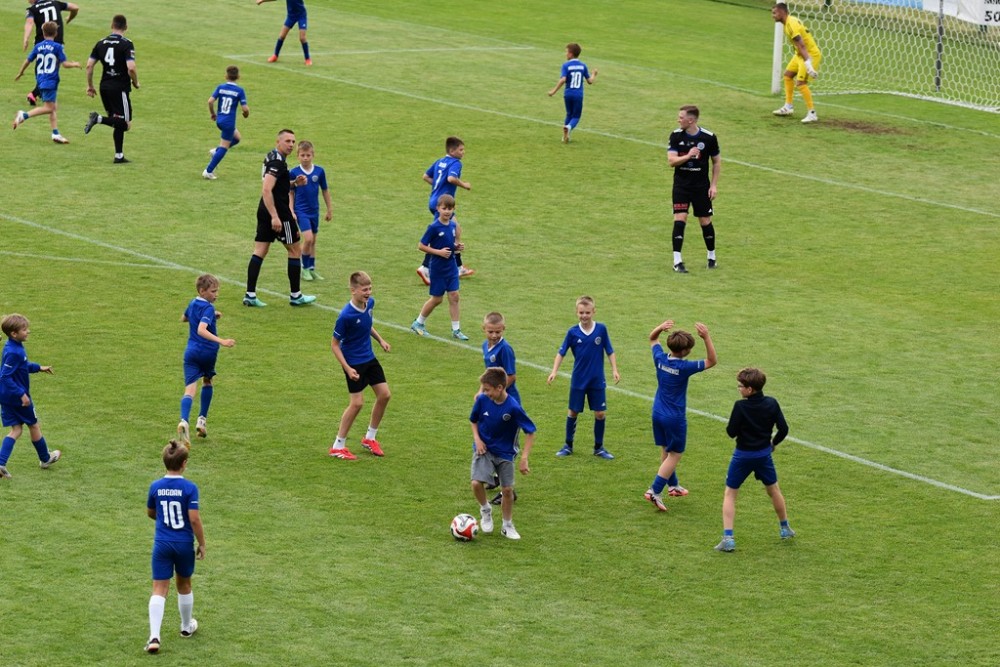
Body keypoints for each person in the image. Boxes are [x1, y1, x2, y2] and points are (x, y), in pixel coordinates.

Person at [715, 367, 794, 552]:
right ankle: (785, 528)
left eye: (740, 386)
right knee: (773, 490)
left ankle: (728, 538)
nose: (738, 389)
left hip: (743, 456)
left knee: (730, 494)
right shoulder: (772, 403)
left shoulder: (740, 406)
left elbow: (731, 432)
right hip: (764, 455)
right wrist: (773, 443)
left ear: (749, 389)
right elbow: (783, 429)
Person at [642, 320, 717, 512]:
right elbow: (712, 361)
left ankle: (673, 485)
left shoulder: (660, 358)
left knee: (666, 449)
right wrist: (706, 337)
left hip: (657, 412)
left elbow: (652, 339)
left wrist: (660, 327)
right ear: (685, 351)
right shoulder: (684, 367)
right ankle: (655, 490)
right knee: (675, 454)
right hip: (674, 417)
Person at [243, 129, 316, 308]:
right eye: (287, 141)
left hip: (264, 209)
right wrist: (275, 217)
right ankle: (296, 295)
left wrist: (293, 183)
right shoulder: (277, 162)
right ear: (278, 142)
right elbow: (267, 189)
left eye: (293, 142)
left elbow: (275, 185)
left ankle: (250, 295)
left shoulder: (272, 156)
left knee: (260, 251)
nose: (291, 145)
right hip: (279, 213)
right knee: (295, 250)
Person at [144, 440, 205, 653]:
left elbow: (151, 512)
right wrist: (202, 543)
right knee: (184, 584)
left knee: (159, 589)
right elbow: (194, 519)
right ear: (184, 463)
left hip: (162, 544)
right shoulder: (190, 488)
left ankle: (154, 637)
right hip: (183, 544)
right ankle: (186, 627)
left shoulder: (155, 486)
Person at [328, 271, 392, 461]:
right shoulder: (345, 316)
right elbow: (334, 345)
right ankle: (338, 446)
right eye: (364, 289)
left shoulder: (370, 304)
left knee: (385, 395)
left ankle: (370, 438)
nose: (368, 293)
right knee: (357, 403)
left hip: (369, 358)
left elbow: (367, 325)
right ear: (353, 290)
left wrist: (381, 340)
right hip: (353, 363)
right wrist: (347, 368)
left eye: (370, 288)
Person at [547, 295, 620, 460]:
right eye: (581, 313)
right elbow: (561, 352)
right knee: (573, 412)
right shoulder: (572, 332)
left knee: (600, 413)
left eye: (587, 312)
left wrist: (614, 370)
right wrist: (554, 371)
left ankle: (599, 448)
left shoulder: (601, 329)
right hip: (579, 379)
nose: (584, 316)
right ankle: (568, 445)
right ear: (576, 312)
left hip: (597, 379)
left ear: (594, 311)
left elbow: (609, 350)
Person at [470, 367, 536, 540]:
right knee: (476, 483)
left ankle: (507, 525)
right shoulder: (482, 400)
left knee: (507, 490)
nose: (484, 393)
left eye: (487, 390)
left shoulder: (513, 407)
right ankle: (485, 509)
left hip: (505, 452)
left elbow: (530, 431)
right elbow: (473, 420)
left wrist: (524, 458)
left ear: (499, 388)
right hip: (484, 448)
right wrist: (477, 439)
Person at [0, 314, 61, 479]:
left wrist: (38, 367)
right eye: (24, 329)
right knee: (34, 425)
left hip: (5, 397)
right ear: (14, 333)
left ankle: (1, 463)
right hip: (17, 398)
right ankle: (45, 458)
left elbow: (22, 366)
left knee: (16, 430)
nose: (28, 331)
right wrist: (21, 394)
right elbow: (5, 376)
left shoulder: (11, 346)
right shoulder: (15, 352)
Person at [177, 274, 235, 445]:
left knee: (189, 390)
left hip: (191, 352)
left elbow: (184, 318)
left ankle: (184, 420)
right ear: (202, 291)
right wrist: (222, 341)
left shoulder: (192, 303)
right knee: (207, 381)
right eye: (213, 291)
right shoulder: (208, 308)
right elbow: (202, 330)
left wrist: (211, 316)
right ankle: (201, 420)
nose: (216, 295)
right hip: (208, 352)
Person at [667, 105, 721, 273]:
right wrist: (688, 155)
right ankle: (677, 261)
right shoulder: (676, 136)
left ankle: (711, 257)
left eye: (681, 117)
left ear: (690, 120)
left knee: (705, 221)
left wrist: (713, 185)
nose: (678, 120)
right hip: (681, 186)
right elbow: (671, 161)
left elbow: (716, 162)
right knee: (680, 219)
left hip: (701, 187)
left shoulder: (709, 137)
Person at [409, 195, 469, 340]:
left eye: (450, 209)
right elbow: (421, 245)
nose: (447, 211)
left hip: (451, 266)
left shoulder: (453, 225)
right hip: (438, 268)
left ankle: (456, 330)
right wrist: (438, 252)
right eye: (444, 208)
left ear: (453, 209)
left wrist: (456, 247)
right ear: (438, 209)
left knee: (454, 296)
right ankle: (418, 323)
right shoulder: (434, 227)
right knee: (437, 299)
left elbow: (449, 244)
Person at [83, 14, 139, 164]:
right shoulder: (126, 44)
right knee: (125, 123)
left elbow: (89, 66)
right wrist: (136, 82)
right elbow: (131, 68)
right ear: (125, 27)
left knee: (116, 120)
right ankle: (98, 119)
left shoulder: (100, 43)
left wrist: (90, 86)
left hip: (104, 87)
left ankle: (119, 156)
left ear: (111, 25)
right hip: (119, 88)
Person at [13, 20, 80, 144]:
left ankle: (55, 133)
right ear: (56, 33)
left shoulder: (38, 46)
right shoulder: (58, 47)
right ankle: (24, 115)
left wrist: (20, 72)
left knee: (53, 107)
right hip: (50, 80)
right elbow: (65, 64)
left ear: (43, 33)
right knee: (49, 108)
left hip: (40, 80)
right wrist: (75, 64)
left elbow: (28, 60)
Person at [417, 136, 473, 285]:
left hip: (434, 200)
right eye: (461, 149)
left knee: (456, 229)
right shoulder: (456, 163)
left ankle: (458, 266)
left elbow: (426, 176)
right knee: (442, 233)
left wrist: (438, 186)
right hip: (443, 204)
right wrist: (465, 185)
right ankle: (425, 267)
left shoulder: (440, 161)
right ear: (452, 151)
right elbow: (451, 179)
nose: (463, 152)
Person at [481, 311, 520, 505]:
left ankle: (509, 492)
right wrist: (481, 391)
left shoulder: (505, 349)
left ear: (503, 329)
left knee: (505, 447)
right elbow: (489, 373)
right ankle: (497, 478)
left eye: (498, 331)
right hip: (494, 402)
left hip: (508, 405)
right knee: (491, 441)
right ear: (484, 329)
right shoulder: (485, 346)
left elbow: (511, 376)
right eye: (491, 331)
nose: (494, 335)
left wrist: (497, 392)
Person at [22, 0, 80, 108]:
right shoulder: (55, 3)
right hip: (56, 42)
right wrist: (70, 18)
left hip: (41, 43)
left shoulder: (32, 9)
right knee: (51, 69)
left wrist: (26, 38)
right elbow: (75, 7)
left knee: (43, 68)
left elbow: (29, 23)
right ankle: (35, 93)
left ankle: (36, 93)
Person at [289, 140, 332, 281]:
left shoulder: (319, 171)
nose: (305, 158)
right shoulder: (294, 172)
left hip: (314, 211)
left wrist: (329, 209)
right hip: (301, 211)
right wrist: (291, 210)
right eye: (302, 155)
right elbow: (290, 192)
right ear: (298, 156)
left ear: (313, 155)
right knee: (308, 239)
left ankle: (312, 269)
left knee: (313, 241)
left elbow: (325, 190)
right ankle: (304, 267)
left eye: (308, 155)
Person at [772, 2, 822, 123]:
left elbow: (802, 45)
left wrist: (808, 64)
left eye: (774, 13)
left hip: (809, 54)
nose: (772, 16)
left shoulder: (791, 25)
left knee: (801, 83)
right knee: (787, 76)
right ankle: (788, 106)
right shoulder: (789, 22)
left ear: (782, 12)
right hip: (800, 54)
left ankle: (812, 113)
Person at [202, 65, 249, 180]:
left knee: (237, 138)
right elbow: (245, 109)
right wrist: (246, 114)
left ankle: (216, 151)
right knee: (224, 146)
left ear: (226, 76)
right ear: (238, 76)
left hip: (220, 120)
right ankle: (208, 171)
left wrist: (213, 114)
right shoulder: (239, 91)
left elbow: (210, 101)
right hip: (229, 123)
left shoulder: (221, 87)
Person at [547, 42, 598, 143]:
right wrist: (594, 74)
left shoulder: (566, 65)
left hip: (568, 94)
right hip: (578, 95)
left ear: (571, 54)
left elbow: (563, 79)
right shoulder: (583, 66)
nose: (565, 54)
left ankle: (565, 136)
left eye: (566, 52)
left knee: (569, 114)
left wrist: (553, 91)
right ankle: (569, 127)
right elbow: (590, 81)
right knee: (576, 116)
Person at [257, 0, 311, 66]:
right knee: (282, 36)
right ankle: (275, 56)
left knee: (302, 38)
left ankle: (307, 59)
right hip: (291, 16)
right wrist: (263, 1)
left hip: (301, 16)